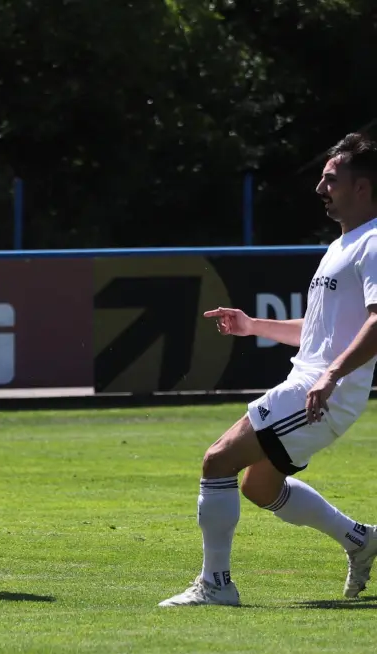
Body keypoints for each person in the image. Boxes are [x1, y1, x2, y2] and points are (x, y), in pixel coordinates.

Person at [161, 132, 377, 607]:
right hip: (313, 385)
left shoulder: (374, 242)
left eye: (331, 179)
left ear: (361, 188)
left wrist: (330, 375)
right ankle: (361, 539)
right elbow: (320, 332)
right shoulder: (342, 245)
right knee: (259, 486)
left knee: (217, 459)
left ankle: (216, 586)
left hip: (320, 393)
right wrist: (251, 325)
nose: (321, 188)